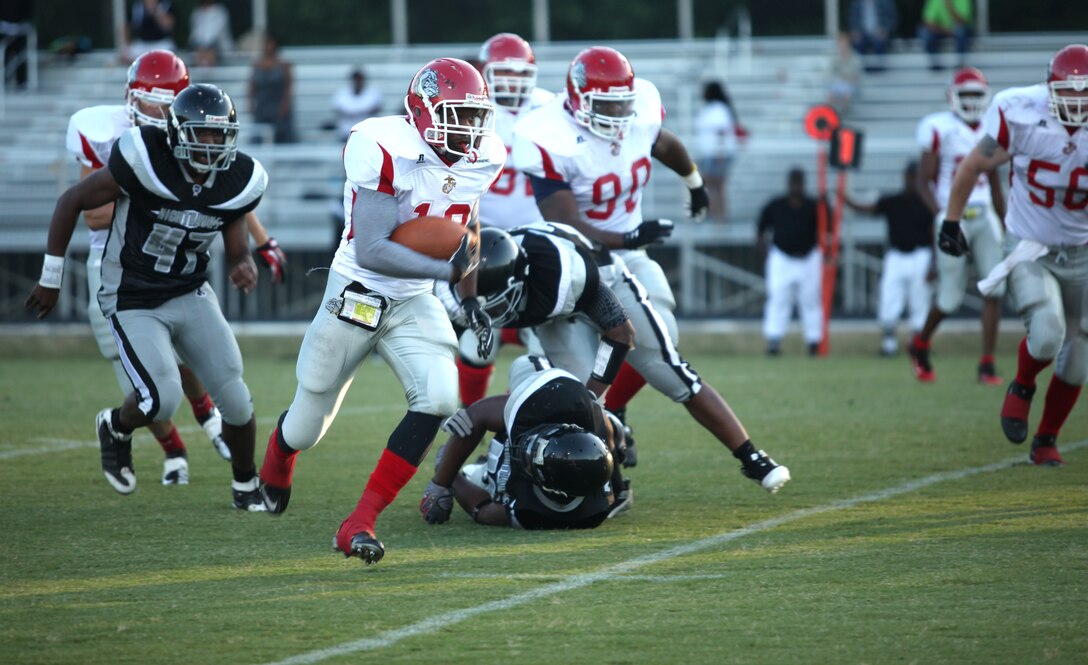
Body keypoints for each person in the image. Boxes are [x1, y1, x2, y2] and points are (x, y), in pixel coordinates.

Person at [257, 58, 505, 565]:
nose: (468, 128)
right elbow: (371, 247)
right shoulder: (383, 143)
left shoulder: (485, 156)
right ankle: (279, 456)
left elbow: (467, 232)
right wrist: (447, 274)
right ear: (422, 110)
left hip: (415, 296)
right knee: (308, 425)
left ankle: (359, 521)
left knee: (438, 400)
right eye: (456, 114)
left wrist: (471, 295)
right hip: (359, 289)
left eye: (474, 116)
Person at [26, 84, 268, 510]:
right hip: (132, 292)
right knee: (161, 397)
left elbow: (231, 220)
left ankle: (245, 485)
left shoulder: (239, 178)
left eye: (217, 134)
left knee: (236, 397)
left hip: (189, 290)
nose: (210, 144)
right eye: (200, 133)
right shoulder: (145, 159)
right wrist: (51, 276)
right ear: (176, 133)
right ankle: (116, 426)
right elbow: (72, 200)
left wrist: (241, 260)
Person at [452, 224, 791, 494]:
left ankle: (752, 457)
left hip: (606, 286)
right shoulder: (481, 269)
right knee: (562, 403)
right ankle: (597, 485)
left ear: (518, 282)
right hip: (556, 316)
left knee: (669, 372)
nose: (491, 313)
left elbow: (621, 334)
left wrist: (594, 392)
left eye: (496, 303)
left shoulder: (565, 275)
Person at [512, 45, 710, 466]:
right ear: (579, 98)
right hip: (573, 261)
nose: (619, 113)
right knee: (575, 367)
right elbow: (566, 221)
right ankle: (558, 437)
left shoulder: (640, 115)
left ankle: (612, 412)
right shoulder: (549, 134)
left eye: (624, 102)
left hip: (626, 255)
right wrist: (630, 235)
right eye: (607, 104)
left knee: (661, 339)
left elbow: (663, 143)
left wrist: (694, 181)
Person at [937, 44, 1088, 467]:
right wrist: (951, 222)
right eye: (1068, 93)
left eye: (1085, 94)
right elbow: (972, 166)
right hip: (1030, 244)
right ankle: (1022, 383)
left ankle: (1046, 439)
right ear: (1050, 88)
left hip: (1084, 248)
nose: (1076, 103)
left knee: (1078, 358)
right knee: (1047, 331)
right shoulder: (1019, 109)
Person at [453, 32, 554, 407]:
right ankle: (469, 422)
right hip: (487, 240)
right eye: (502, 73)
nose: (511, 83)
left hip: (540, 238)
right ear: (485, 71)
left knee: (546, 343)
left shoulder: (550, 108)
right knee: (478, 341)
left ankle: (523, 424)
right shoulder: (469, 110)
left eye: (519, 74)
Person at [420, 355, 631, 530]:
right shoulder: (553, 409)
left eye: (532, 459)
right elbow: (475, 417)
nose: (526, 452)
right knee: (528, 363)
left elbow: (482, 510)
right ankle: (618, 428)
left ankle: (484, 468)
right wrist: (439, 484)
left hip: (500, 475)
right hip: (558, 402)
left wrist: (451, 478)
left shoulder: (534, 512)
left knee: (475, 475)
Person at [909, 67, 1005, 384]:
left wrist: (1006, 223)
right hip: (953, 216)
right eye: (966, 94)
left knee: (995, 288)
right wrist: (944, 216)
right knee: (949, 297)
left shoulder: (992, 126)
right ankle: (920, 344)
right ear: (952, 96)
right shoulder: (938, 128)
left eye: (977, 94)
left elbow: (993, 181)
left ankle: (987, 363)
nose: (972, 101)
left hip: (983, 212)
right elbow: (924, 181)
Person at [844, 161, 935, 356]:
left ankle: (918, 344)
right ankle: (889, 344)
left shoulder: (927, 203)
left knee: (919, 301)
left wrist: (934, 264)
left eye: (914, 178)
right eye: (909, 177)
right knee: (889, 298)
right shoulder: (893, 201)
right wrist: (846, 199)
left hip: (920, 256)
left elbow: (933, 234)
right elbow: (867, 209)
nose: (911, 182)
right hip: (896, 256)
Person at [757, 168, 823, 356]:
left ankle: (814, 342)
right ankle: (774, 341)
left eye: (799, 182)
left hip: (808, 257)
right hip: (782, 258)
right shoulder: (776, 205)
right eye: (793, 182)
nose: (796, 186)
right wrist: (764, 256)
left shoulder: (814, 205)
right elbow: (760, 231)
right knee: (778, 299)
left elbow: (828, 228)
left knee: (810, 300)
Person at [693, 81, 739, 221]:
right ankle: (718, 219)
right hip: (712, 154)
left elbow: (721, 132)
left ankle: (718, 219)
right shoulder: (715, 108)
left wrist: (720, 155)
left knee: (715, 188)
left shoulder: (718, 109)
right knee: (715, 188)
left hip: (717, 154)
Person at [248, 35, 294, 144]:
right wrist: (250, 102)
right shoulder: (257, 65)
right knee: (258, 134)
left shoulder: (284, 65)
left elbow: (288, 86)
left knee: (282, 134)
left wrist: (285, 103)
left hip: (278, 103)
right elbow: (252, 86)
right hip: (262, 103)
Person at [328, 68, 382, 142]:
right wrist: (362, 112)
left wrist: (351, 113)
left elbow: (376, 109)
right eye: (356, 80)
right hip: (346, 133)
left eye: (359, 80)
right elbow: (337, 110)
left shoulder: (373, 93)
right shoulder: (342, 93)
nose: (357, 82)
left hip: (367, 134)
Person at [918, 0, 973, 71]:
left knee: (961, 31)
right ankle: (935, 65)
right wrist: (945, 31)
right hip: (942, 31)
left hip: (957, 31)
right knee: (924, 32)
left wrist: (949, 7)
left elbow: (963, 21)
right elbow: (928, 22)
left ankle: (960, 64)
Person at [848, 0, 897, 72]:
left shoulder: (885, 2)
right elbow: (852, 19)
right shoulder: (857, 3)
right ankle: (861, 70)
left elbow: (892, 19)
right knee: (857, 43)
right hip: (862, 34)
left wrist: (884, 30)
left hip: (879, 33)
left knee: (880, 42)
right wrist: (855, 31)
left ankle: (879, 70)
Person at [188, 0, 232, 68]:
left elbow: (216, 35)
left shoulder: (220, 12)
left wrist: (205, 47)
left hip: (219, 50)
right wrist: (200, 45)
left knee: (209, 51)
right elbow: (194, 35)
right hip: (201, 49)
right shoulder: (196, 13)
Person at [828, 32, 863, 114]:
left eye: (844, 43)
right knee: (831, 96)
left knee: (846, 96)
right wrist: (843, 77)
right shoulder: (835, 57)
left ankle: (841, 115)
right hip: (839, 84)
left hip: (851, 85)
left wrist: (846, 77)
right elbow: (830, 73)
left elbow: (856, 76)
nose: (842, 45)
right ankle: (832, 116)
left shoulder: (855, 57)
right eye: (840, 43)